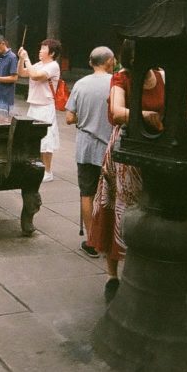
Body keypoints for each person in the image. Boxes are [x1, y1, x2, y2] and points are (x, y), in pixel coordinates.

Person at [91, 39, 164, 303]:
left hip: (155, 149)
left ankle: (145, 269)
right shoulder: (121, 78)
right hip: (126, 151)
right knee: (120, 208)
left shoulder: (160, 76)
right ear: (131, 60)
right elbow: (117, 111)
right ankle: (113, 276)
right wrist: (144, 114)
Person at [65, 46, 115, 258]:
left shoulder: (80, 84)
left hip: (85, 147)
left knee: (87, 192)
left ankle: (92, 241)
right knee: (113, 194)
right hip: (110, 147)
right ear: (109, 61)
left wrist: (85, 119)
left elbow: (69, 118)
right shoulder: (116, 84)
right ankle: (112, 239)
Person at [17, 39, 63, 181]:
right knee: (33, 139)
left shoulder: (53, 66)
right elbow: (22, 73)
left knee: (46, 141)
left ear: (52, 53)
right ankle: (36, 167)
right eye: (41, 48)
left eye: (44, 49)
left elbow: (36, 76)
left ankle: (47, 171)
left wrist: (26, 58)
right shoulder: (38, 64)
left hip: (45, 106)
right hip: (34, 105)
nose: (40, 51)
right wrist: (21, 59)